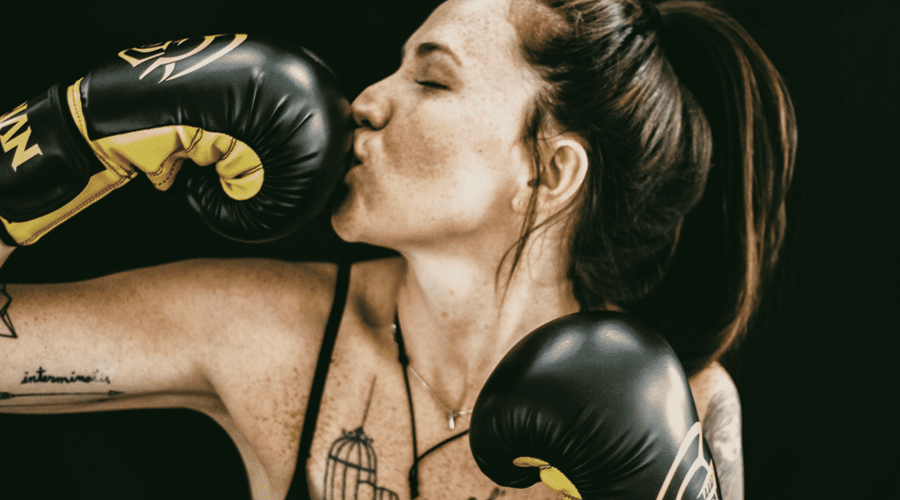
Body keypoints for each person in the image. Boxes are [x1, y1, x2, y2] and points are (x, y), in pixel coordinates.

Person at [0, 0, 796, 499]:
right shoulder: (266, 332)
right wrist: (61, 136)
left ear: (550, 169)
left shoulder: (680, 409)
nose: (367, 100)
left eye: (431, 80)